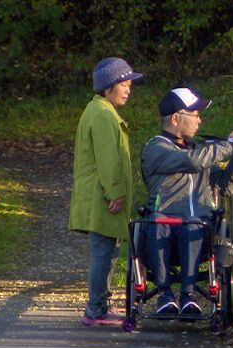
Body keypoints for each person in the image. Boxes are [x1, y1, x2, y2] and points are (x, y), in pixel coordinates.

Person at [141, 86, 233, 315]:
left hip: (197, 231)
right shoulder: (155, 149)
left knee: (194, 223)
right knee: (158, 221)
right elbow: (192, 162)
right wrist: (228, 144)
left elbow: (226, 186)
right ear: (175, 118)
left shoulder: (198, 152)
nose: (199, 121)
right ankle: (165, 295)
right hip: (162, 232)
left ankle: (188, 295)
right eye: (195, 115)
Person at [69, 57, 143, 326]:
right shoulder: (101, 114)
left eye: (129, 84)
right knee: (103, 253)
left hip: (99, 197)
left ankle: (99, 306)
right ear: (108, 86)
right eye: (123, 83)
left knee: (107, 252)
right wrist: (115, 193)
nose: (128, 89)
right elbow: (108, 159)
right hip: (102, 198)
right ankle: (95, 309)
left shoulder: (100, 110)